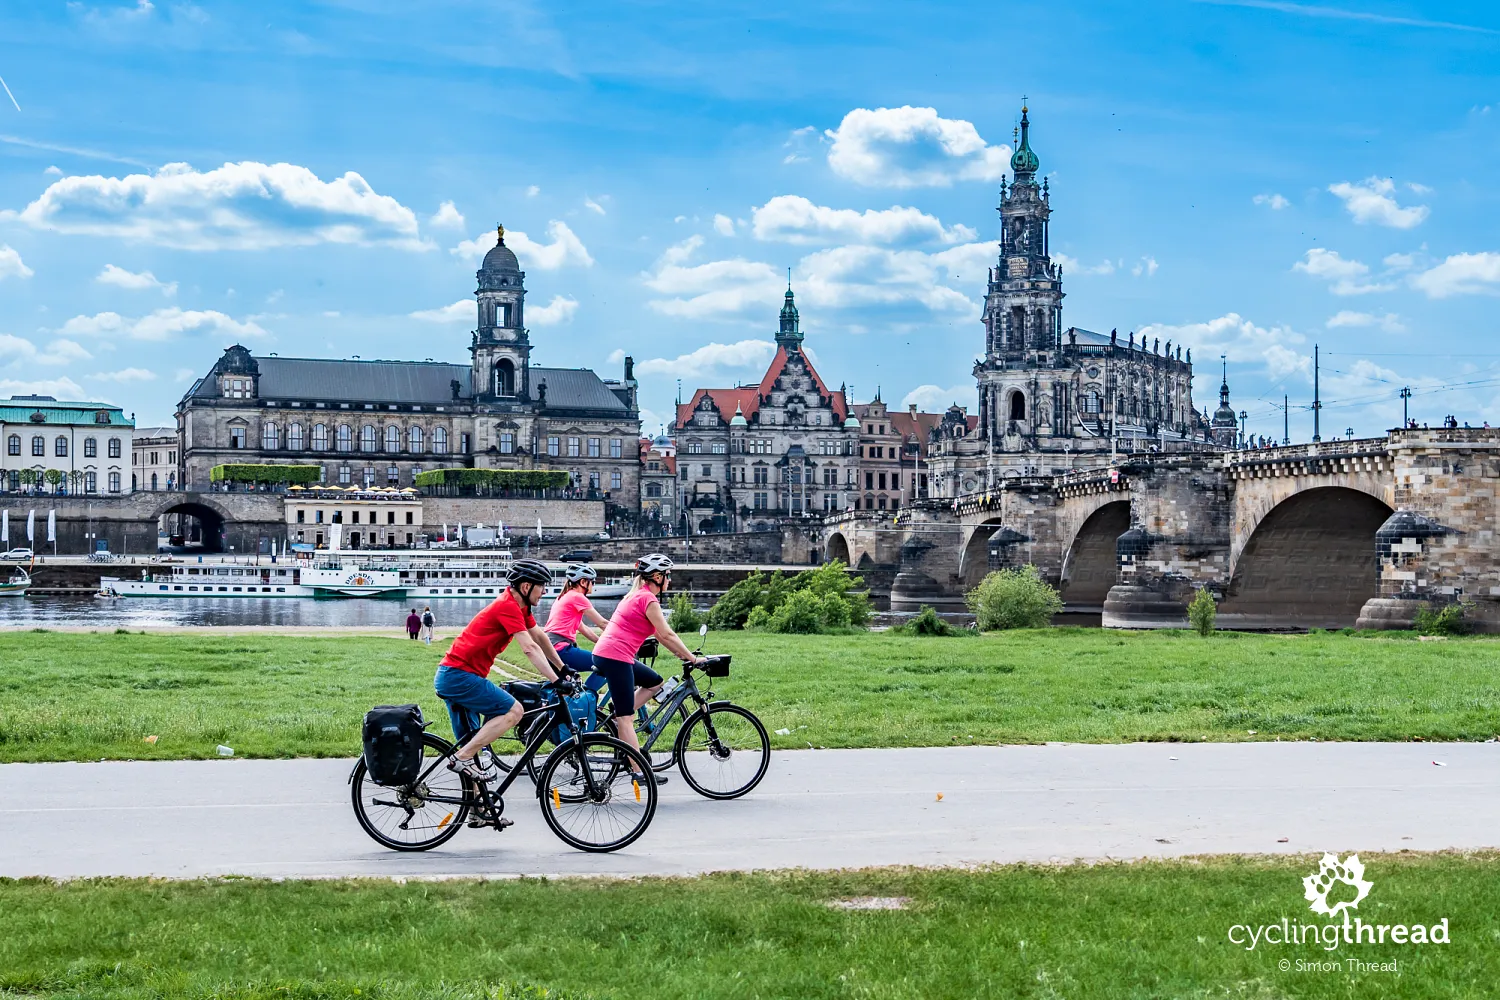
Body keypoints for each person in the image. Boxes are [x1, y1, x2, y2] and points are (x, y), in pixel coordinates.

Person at [434, 559, 568, 783]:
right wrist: (555, 680)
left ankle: (479, 813)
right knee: (514, 711)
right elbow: (529, 648)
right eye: (542, 585)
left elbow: (539, 637)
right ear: (526, 587)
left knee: (473, 749)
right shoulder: (507, 606)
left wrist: (562, 667)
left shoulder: (520, 607)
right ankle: (463, 756)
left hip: (458, 675)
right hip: (459, 676)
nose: (545, 591)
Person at [591, 552, 705, 783]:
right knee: (626, 718)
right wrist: (692, 659)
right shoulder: (648, 600)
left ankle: (618, 720)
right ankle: (638, 771)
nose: (669, 580)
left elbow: (661, 636)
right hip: (615, 657)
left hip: (609, 654)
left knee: (654, 683)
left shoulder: (636, 595)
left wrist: (680, 654)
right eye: (667, 576)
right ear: (656, 576)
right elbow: (667, 633)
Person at [542, 563, 610, 676]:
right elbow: (603, 623)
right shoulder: (577, 596)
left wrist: (600, 642)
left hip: (551, 648)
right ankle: (591, 693)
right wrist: (623, 638)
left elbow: (582, 628)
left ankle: (587, 693)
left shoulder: (565, 596)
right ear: (583, 582)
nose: (593, 585)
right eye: (592, 582)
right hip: (561, 649)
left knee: (570, 687)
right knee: (606, 663)